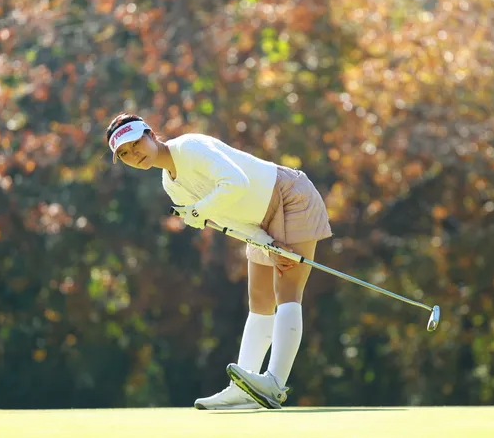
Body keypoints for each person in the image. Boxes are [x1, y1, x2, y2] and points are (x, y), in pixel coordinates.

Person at [106, 113, 332, 409]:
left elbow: (236, 183)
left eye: (135, 144)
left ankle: (275, 384)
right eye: (124, 153)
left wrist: (198, 211)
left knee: (287, 290)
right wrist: (266, 243)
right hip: (256, 223)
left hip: (291, 196)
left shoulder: (189, 147)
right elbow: (226, 219)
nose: (134, 154)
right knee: (259, 299)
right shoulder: (171, 185)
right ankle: (244, 389)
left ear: (150, 134)